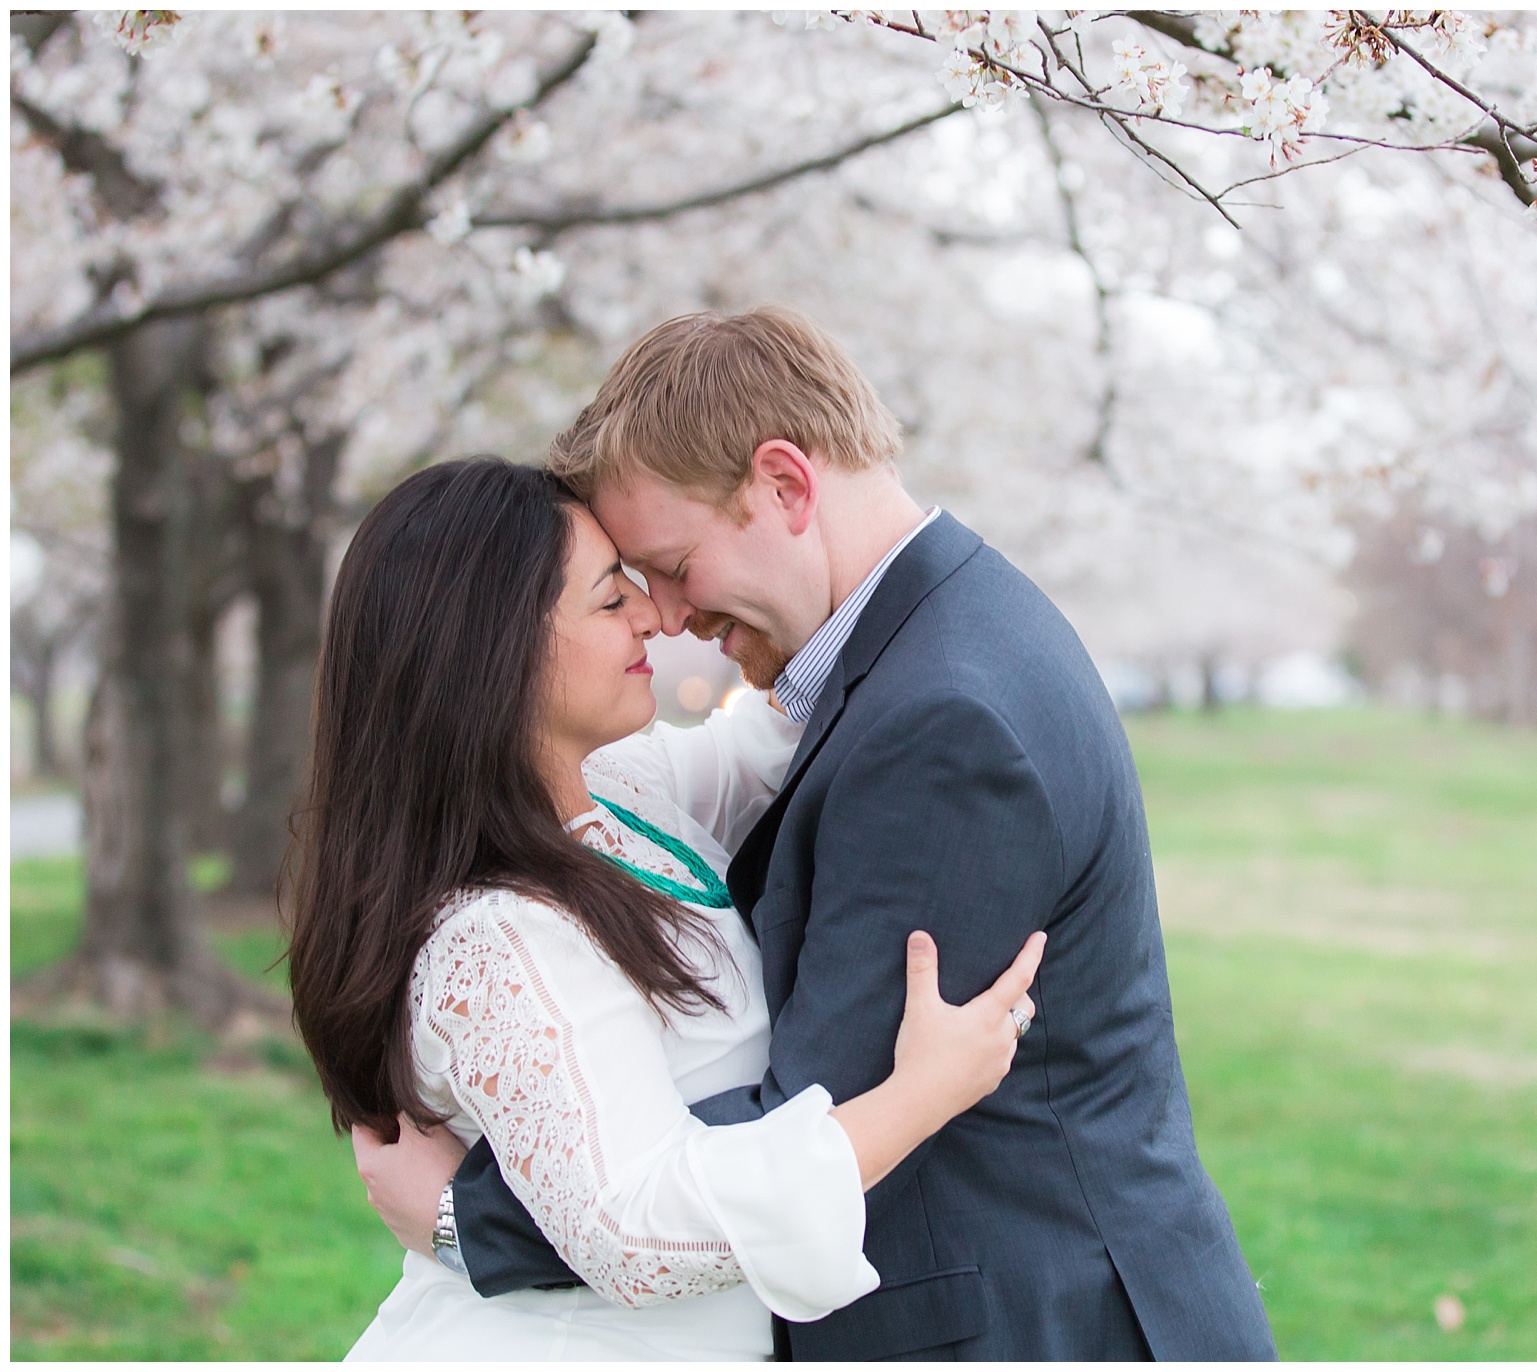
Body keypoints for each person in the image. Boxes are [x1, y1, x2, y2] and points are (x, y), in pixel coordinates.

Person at [356, 308, 1277, 1360]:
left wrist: (473, 1216)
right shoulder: (933, 640)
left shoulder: (942, 722)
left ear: (787, 486)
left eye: (664, 562)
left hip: (1026, 1323)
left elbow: (816, 1107)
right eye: (623, 586)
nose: (664, 613)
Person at [289, 457, 1044, 1361]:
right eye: (612, 600)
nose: (654, 614)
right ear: (495, 651)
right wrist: (921, 1095)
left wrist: (859, 549)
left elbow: (780, 734)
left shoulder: (617, 792)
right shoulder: (496, 936)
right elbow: (637, 1234)